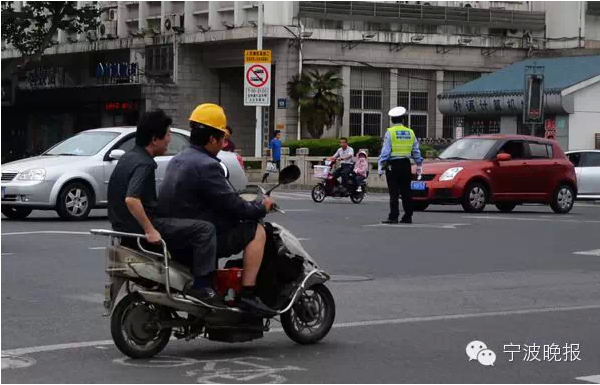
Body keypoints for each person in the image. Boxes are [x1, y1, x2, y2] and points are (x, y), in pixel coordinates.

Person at [156, 103, 277, 315]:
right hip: (197, 238)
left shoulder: (179, 159)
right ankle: (248, 294)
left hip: (178, 231)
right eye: (222, 139)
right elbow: (235, 206)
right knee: (256, 231)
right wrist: (261, 207)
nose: (224, 144)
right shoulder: (207, 165)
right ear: (211, 139)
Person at [107, 110, 220, 304]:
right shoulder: (145, 163)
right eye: (167, 135)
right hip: (142, 229)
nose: (169, 140)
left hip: (123, 230)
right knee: (205, 229)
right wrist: (150, 230)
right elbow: (131, 199)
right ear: (154, 139)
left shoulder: (128, 157)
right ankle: (201, 287)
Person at [378, 106, 423, 224]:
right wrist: (419, 163)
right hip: (406, 165)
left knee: (393, 192)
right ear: (403, 119)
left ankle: (393, 216)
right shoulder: (410, 132)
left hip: (393, 165)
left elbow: (385, 152)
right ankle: (408, 216)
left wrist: (381, 165)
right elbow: (416, 151)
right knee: (406, 192)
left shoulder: (390, 132)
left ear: (392, 120)